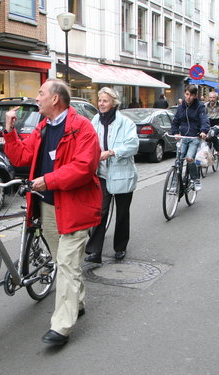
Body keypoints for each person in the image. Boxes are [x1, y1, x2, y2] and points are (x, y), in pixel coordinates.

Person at [3, 78, 102, 346]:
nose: (37, 98)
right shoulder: (43, 127)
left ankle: (62, 326)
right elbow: (21, 157)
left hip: (75, 206)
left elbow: (84, 168)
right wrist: (9, 131)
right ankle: (77, 301)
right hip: (47, 206)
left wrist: (49, 180)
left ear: (55, 98)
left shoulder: (82, 128)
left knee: (68, 263)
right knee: (63, 260)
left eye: (41, 93)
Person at [85, 87, 139, 264]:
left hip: (122, 173)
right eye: (99, 100)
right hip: (101, 173)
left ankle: (120, 247)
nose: (101, 104)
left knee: (122, 213)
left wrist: (112, 152)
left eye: (105, 101)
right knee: (100, 212)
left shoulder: (125, 122)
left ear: (113, 103)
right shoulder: (95, 120)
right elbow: (89, 140)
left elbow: (133, 145)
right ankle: (95, 251)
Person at [171, 84, 209, 192]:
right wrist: (175, 133)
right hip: (183, 137)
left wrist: (203, 131)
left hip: (194, 137)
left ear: (195, 96)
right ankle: (174, 183)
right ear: (184, 94)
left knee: (189, 158)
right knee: (178, 160)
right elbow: (175, 122)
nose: (188, 97)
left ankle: (195, 179)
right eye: (187, 94)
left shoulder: (200, 106)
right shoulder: (180, 107)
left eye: (191, 95)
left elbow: (204, 120)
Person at [204, 91, 219, 156]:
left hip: (218, 123)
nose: (212, 99)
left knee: (212, 134)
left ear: (216, 98)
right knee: (206, 137)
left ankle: (218, 149)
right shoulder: (205, 105)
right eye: (210, 97)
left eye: (213, 97)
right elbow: (203, 115)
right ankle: (207, 152)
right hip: (209, 122)